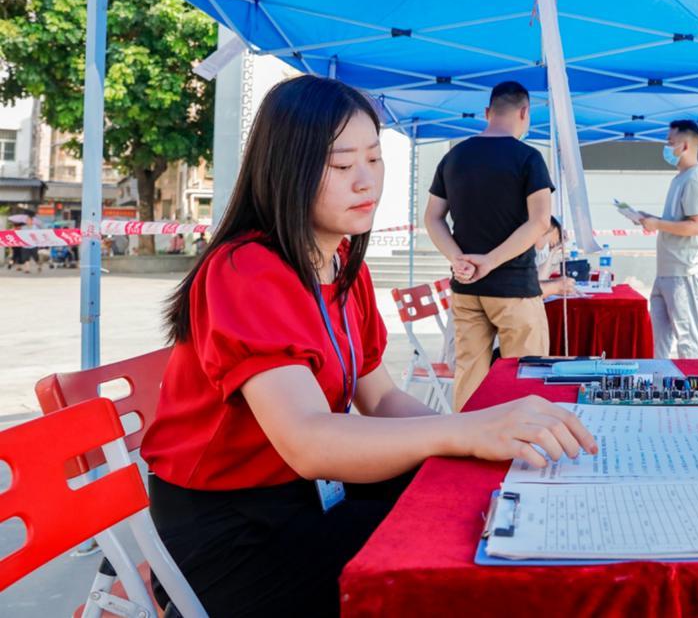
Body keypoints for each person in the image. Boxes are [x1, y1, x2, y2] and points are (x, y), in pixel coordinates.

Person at [141, 76, 594, 618]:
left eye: (375, 159)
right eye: (341, 165)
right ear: (287, 168)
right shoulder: (246, 270)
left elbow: (377, 399)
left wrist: (483, 429)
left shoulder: (342, 263)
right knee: (455, 559)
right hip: (236, 529)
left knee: (476, 508)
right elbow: (309, 441)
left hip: (308, 492)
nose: (367, 182)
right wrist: (461, 430)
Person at [425, 80, 555, 409]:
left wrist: (459, 259)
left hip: (467, 287)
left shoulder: (454, 156)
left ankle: (468, 451)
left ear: (487, 113)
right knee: (526, 374)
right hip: (514, 287)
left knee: (469, 373)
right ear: (525, 112)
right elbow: (540, 221)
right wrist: (491, 261)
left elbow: (433, 218)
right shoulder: (529, 158)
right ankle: (521, 447)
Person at [640, 120, 698, 359]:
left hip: (683, 271)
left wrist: (658, 224)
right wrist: (652, 220)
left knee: (687, 340)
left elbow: (697, 226)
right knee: (660, 339)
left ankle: (694, 391)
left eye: (669, 143)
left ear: (685, 146)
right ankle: (661, 386)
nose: (666, 147)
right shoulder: (680, 178)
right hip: (667, 270)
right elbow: (679, 221)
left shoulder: (694, 180)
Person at [537, 215, 577, 298]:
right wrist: (553, 251)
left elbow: (542, 277)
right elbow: (540, 279)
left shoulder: (542, 248)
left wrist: (553, 252)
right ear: (555, 230)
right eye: (559, 237)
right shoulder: (536, 248)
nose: (558, 242)